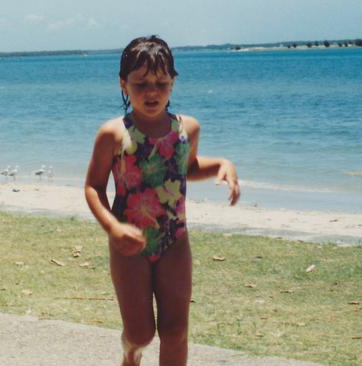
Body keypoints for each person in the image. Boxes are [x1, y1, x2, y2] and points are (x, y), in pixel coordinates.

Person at [84, 35, 240, 366]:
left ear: (173, 82)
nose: (152, 91)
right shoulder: (113, 134)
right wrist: (112, 227)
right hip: (129, 243)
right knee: (141, 334)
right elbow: (94, 187)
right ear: (123, 84)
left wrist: (224, 164)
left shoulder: (187, 129)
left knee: (176, 332)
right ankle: (130, 352)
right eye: (141, 84)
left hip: (174, 240)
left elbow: (187, 167)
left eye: (161, 82)